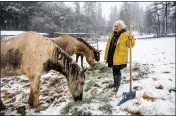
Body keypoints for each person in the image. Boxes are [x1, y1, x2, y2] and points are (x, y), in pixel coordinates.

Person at [104, 20, 136, 92]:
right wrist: (106, 56)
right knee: (114, 69)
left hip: (120, 56)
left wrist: (132, 38)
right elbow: (109, 45)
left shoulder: (126, 34)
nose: (116, 27)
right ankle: (115, 83)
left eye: (117, 26)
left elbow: (131, 45)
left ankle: (117, 85)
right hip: (112, 55)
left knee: (117, 70)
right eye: (115, 26)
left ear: (121, 27)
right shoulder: (113, 34)